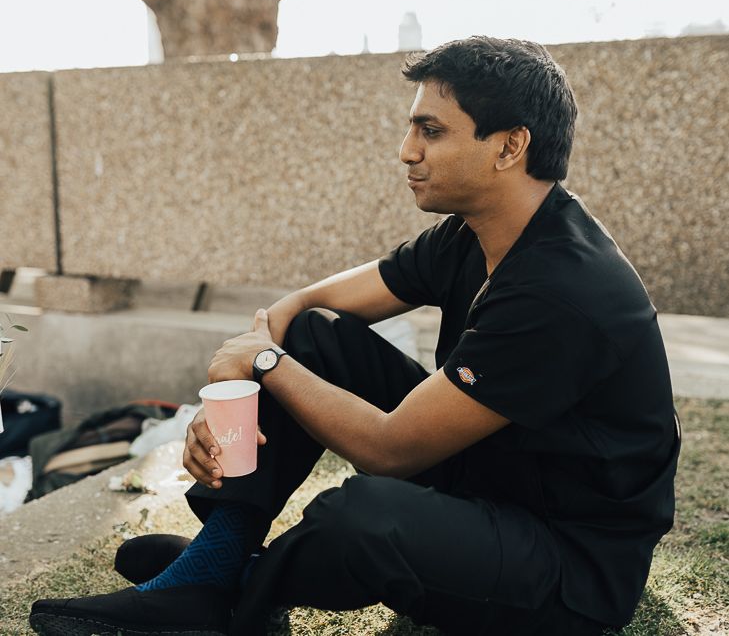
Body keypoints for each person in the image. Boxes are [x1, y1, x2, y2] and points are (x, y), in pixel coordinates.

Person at [29, 36, 679, 636]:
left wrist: (260, 360)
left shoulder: (562, 289)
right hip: (499, 480)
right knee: (316, 339)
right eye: (410, 127)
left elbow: (390, 449)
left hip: (570, 563)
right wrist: (233, 387)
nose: (407, 150)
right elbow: (303, 309)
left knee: (361, 513)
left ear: (509, 146)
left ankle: (231, 587)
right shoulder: (471, 233)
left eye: (430, 130)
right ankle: (212, 563)